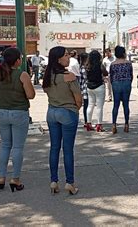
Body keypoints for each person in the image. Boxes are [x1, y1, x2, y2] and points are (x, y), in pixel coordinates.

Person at [0, 47, 35, 192]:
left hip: (2, 111)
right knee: (17, 147)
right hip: (19, 112)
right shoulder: (22, 75)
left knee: (5, 145)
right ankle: (15, 178)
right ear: (17, 60)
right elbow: (30, 95)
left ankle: (1, 177)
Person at [43, 46, 82, 195]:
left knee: (54, 148)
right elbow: (78, 99)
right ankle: (70, 183)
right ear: (59, 59)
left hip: (51, 112)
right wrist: (75, 109)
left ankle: (54, 181)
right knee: (67, 149)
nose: (68, 58)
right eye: (66, 55)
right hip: (67, 112)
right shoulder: (69, 76)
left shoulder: (48, 76)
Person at [109, 46, 133, 134]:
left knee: (116, 105)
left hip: (116, 84)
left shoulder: (113, 64)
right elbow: (131, 75)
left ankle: (114, 125)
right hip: (126, 83)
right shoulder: (128, 63)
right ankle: (126, 124)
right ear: (124, 53)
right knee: (126, 105)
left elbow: (111, 76)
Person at [85, 50, 108, 132]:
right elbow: (105, 73)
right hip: (99, 86)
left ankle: (88, 123)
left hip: (89, 86)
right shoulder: (100, 65)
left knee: (90, 105)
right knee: (99, 106)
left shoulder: (87, 65)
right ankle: (99, 125)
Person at [78, 53, 89, 127]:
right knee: (88, 105)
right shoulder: (85, 68)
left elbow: (80, 81)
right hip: (87, 88)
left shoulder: (80, 67)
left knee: (86, 105)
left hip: (83, 88)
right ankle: (87, 121)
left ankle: (86, 121)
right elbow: (85, 78)